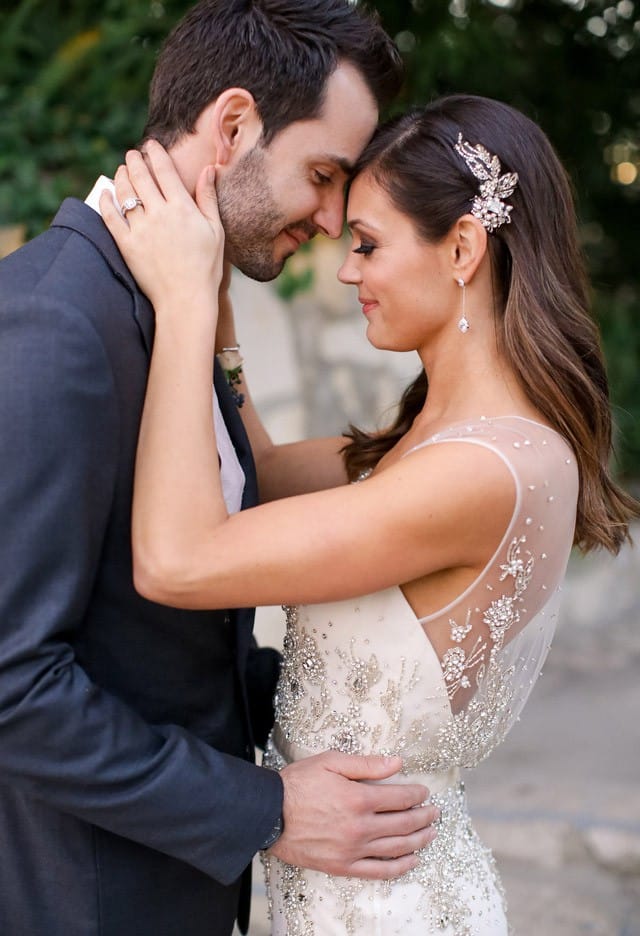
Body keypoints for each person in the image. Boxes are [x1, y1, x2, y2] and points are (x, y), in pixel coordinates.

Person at [101, 91, 640, 935]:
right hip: (352, 891)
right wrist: (223, 325)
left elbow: (178, 559)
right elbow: (269, 476)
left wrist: (182, 307)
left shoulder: (484, 468)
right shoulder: (440, 439)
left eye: (368, 244)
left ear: (462, 247)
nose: (347, 269)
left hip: (389, 907)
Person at [0, 4, 445, 936]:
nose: (331, 221)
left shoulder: (171, 306)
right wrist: (269, 811)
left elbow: (163, 642)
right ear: (234, 126)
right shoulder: (56, 328)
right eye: (322, 177)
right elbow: (12, 684)